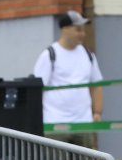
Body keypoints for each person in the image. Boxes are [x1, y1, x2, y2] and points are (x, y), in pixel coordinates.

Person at [33, 10, 104, 148]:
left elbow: (97, 84)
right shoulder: (49, 55)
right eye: (78, 30)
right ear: (64, 29)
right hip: (55, 125)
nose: (82, 34)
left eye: (83, 30)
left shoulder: (88, 55)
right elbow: (37, 89)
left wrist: (97, 112)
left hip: (83, 124)